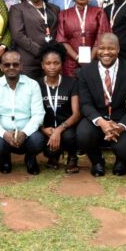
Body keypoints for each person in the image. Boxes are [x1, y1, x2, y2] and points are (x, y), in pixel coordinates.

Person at [77, 33, 126, 177]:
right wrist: (102, 122)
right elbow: (85, 104)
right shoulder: (85, 72)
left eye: (110, 48)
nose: (105, 52)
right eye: (101, 48)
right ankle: (97, 161)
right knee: (82, 135)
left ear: (118, 49)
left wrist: (122, 126)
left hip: (120, 119)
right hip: (97, 119)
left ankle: (121, 161)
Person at [0, 51, 46, 175]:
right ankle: (5, 158)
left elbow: (38, 114)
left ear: (21, 66)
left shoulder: (32, 85)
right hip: (3, 132)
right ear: (1, 67)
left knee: (37, 141)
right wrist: (4, 134)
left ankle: (30, 158)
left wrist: (24, 132)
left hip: (26, 132)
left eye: (15, 64)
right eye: (7, 65)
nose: (11, 67)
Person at [36, 43, 82, 173]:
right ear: (42, 65)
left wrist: (59, 129)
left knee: (69, 136)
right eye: (48, 63)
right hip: (46, 128)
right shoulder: (36, 85)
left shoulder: (71, 83)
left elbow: (76, 113)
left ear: (62, 64)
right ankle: (53, 156)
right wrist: (43, 129)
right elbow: (31, 112)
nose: (52, 67)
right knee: (42, 144)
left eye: (56, 63)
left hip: (67, 127)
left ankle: (72, 157)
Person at [55, 0, 112, 77]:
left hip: (94, 60)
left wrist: (90, 59)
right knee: (72, 89)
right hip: (71, 62)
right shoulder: (63, 14)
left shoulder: (99, 12)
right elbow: (61, 40)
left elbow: (102, 37)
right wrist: (77, 58)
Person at [8, 0, 59, 79]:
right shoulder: (17, 9)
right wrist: (41, 52)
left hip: (50, 61)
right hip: (29, 61)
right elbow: (18, 36)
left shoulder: (54, 9)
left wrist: (52, 53)